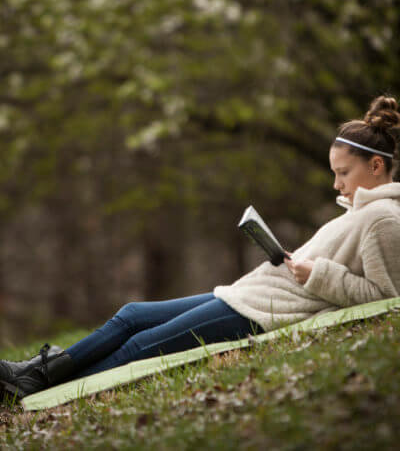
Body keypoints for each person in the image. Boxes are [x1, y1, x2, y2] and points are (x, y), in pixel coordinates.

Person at [1, 95, 400, 400]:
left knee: (141, 346)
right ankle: (37, 373)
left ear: (377, 166)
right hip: (249, 294)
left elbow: (386, 298)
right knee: (133, 314)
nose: (337, 185)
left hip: (262, 313)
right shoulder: (360, 213)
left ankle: (43, 388)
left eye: (343, 173)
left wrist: (318, 274)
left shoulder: (383, 220)